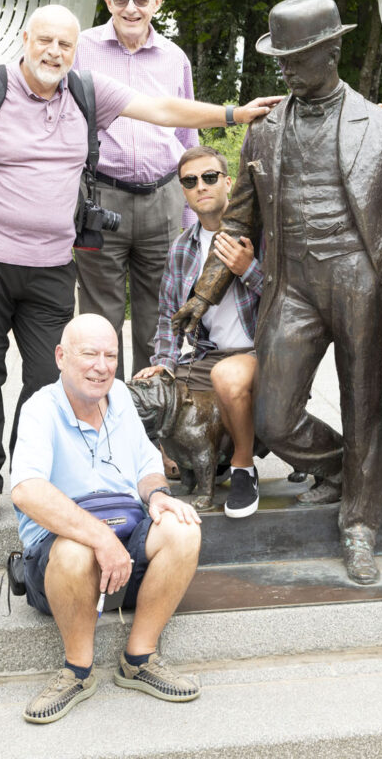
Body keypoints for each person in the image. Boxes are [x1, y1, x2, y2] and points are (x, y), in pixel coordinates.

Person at [0, 4, 280, 526]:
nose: (54, 52)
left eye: (65, 44)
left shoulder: (85, 91)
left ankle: (37, 475)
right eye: (45, 40)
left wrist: (235, 114)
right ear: (25, 38)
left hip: (52, 261)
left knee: (47, 377)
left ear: (76, 50)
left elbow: (164, 110)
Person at [173, 0, 382, 586]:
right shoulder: (264, 132)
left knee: (365, 407)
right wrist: (203, 295)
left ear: (332, 50)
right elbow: (237, 223)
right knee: (273, 414)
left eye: (297, 56)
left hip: (362, 278)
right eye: (280, 57)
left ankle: (360, 525)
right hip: (294, 284)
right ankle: (344, 469)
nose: (284, 68)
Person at [10, 313, 202, 723]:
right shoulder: (40, 409)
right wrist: (99, 537)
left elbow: (148, 464)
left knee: (182, 528)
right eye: (89, 354)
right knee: (75, 549)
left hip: (129, 546)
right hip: (60, 568)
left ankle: (139, 659)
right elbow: (26, 489)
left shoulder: (118, 395)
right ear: (61, 356)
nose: (102, 365)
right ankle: (77, 671)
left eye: (111, 355)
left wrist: (157, 496)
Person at [74, 0, 198, 380]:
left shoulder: (174, 57)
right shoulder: (80, 49)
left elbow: (187, 134)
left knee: (160, 316)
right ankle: (103, 411)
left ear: (157, 2)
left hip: (162, 199)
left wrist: (189, 212)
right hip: (100, 198)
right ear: (107, 0)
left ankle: (152, 417)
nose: (131, 8)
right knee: (100, 318)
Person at [133, 145, 263, 519]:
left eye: (209, 177)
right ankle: (170, 467)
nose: (200, 187)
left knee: (227, 376)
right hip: (207, 357)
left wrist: (248, 269)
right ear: (183, 191)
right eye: (190, 181)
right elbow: (168, 317)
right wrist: (162, 367)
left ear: (228, 182)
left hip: (262, 351)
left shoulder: (262, 233)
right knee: (143, 391)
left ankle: (243, 467)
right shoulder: (181, 248)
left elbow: (290, 302)